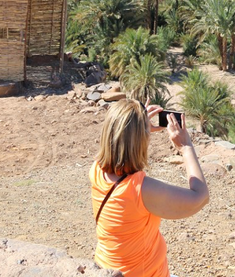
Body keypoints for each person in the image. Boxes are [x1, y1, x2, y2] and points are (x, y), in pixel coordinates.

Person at [90, 99, 209, 276]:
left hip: (106, 266)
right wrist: (185, 146)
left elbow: (121, 145)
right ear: (140, 139)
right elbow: (200, 197)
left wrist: (139, 129)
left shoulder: (96, 169)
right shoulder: (140, 190)